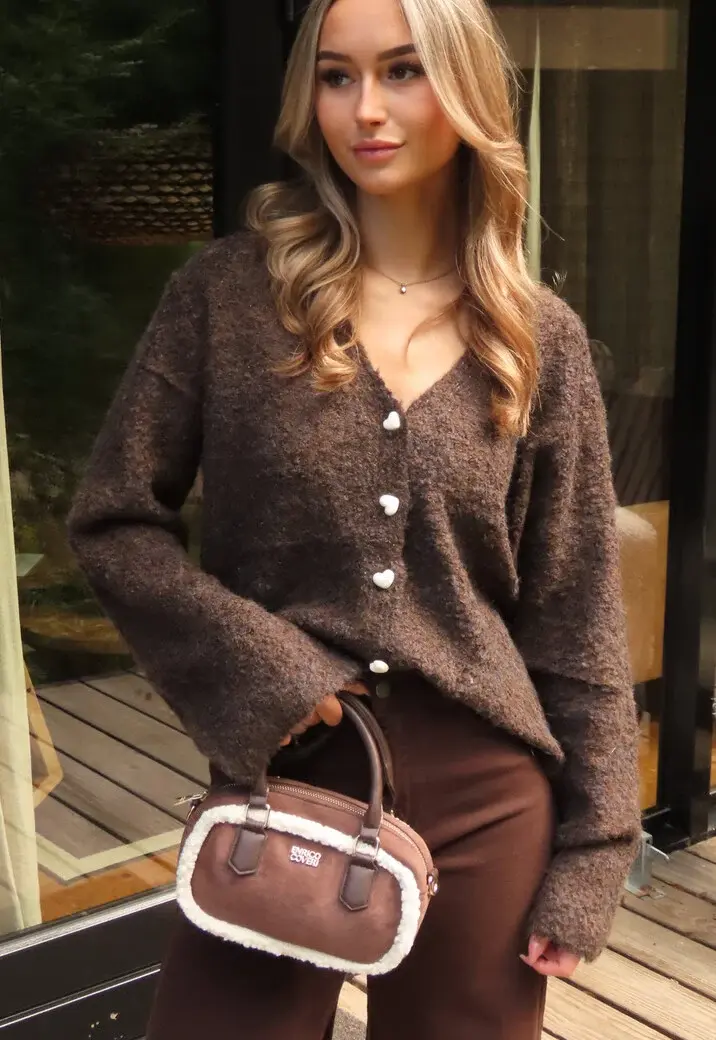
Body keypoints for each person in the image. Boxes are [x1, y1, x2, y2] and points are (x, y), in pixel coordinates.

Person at [68, 0, 641, 1037]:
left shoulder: (535, 337)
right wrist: (265, 667)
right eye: (337, 76)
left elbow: (575, 612)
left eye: (402, 72)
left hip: (487, 806)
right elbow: (114, 520)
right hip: (281, 787)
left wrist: (593, 853)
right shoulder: (226, 298)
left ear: (464, 90)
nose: (365, 109)